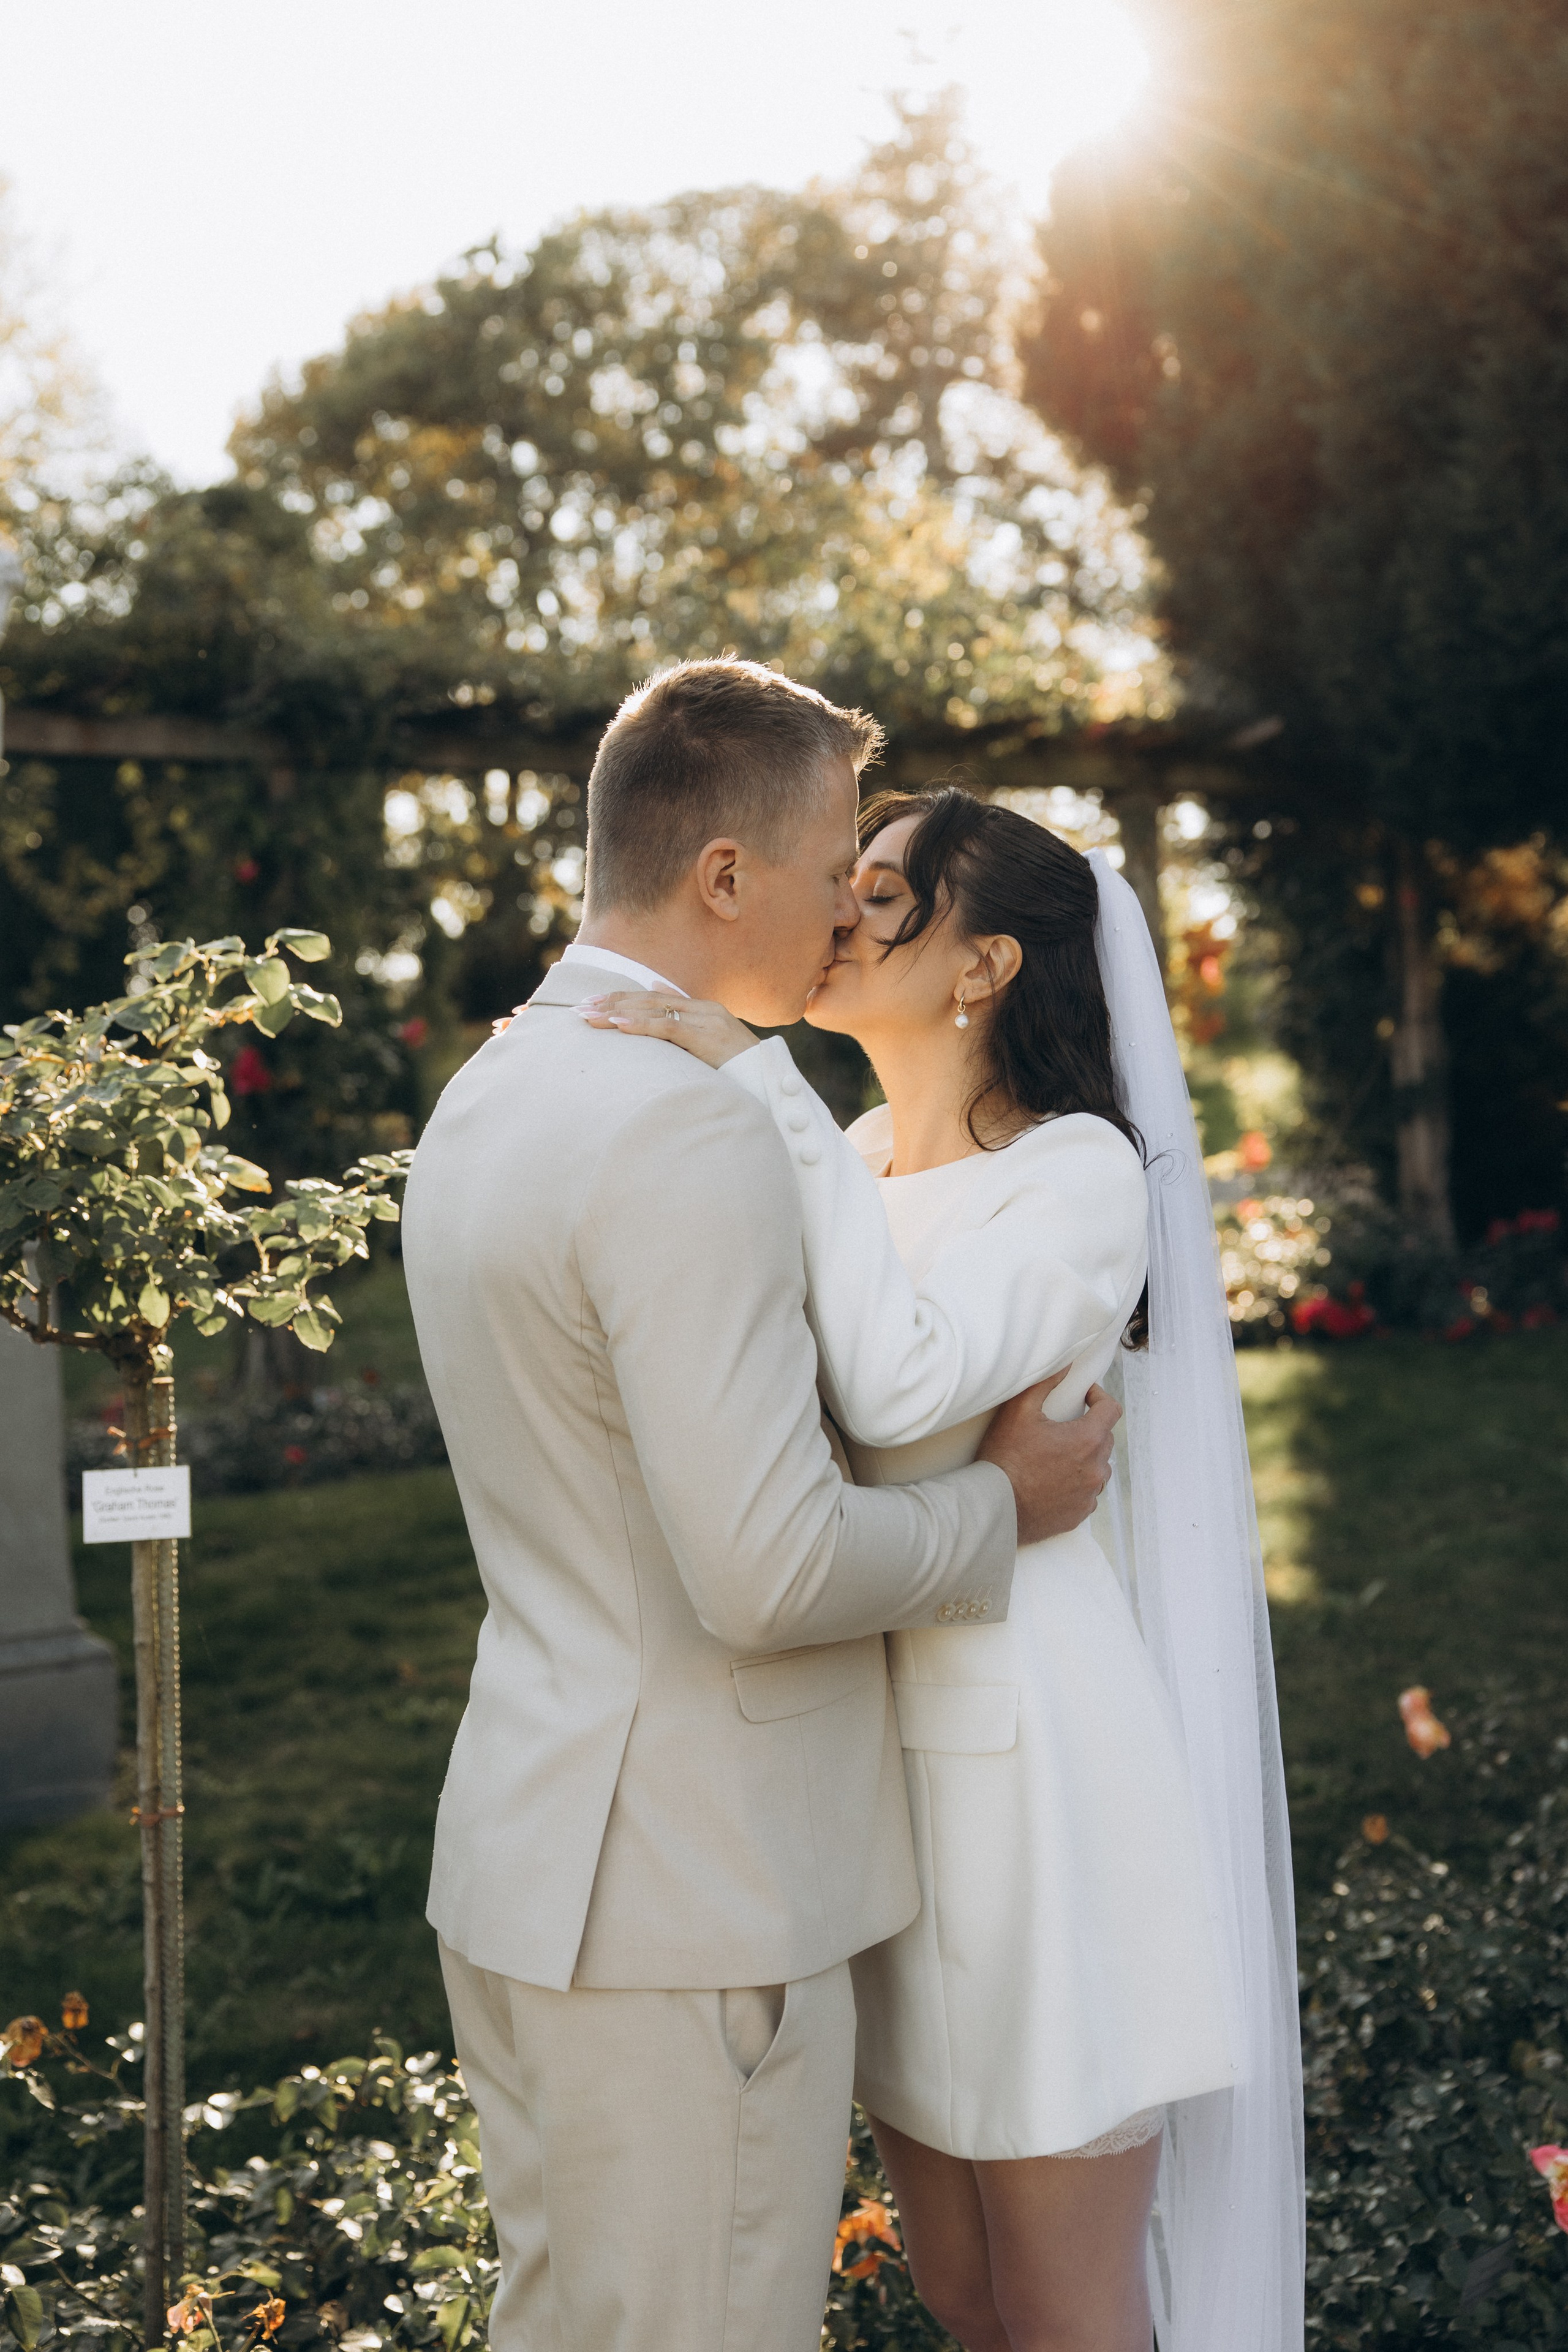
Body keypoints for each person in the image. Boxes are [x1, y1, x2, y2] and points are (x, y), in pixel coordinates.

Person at [400, 663, 1125, 2352]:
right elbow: (774, 1563)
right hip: (694, 1904)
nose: (841, 918)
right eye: (826, 872)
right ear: (724, 876)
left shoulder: (495, 1088)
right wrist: (1001, 1512)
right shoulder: (684, 1129)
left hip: (530, 1859)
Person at [586, 784, 1306, 2352]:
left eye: (882, 897)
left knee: (1058, 2306)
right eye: (838, 888)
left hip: (1035, 1792)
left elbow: (903, 1391)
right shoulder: (847, 1151)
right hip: (872, 1787)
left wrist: (747, 1075)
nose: (835, 918)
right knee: (958, 2292)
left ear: (984, 967)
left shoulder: (1079, 1173)